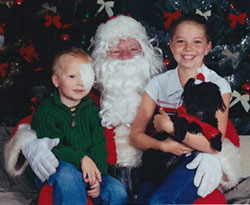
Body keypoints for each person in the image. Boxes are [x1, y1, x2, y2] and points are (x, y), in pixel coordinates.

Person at [5, 15, 241, 204]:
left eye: (133, 49)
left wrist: (215, 159)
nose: (126, 57)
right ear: (100, 61)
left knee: (209, 200)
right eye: (115, 51)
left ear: (147, 55)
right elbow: (37, 119)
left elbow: (219, 129)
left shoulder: (168, 89)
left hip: (160, 177)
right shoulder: (86, 95)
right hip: (102, 184)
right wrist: (29, 143)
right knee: (52, 196)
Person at [130, 13, 240, 204]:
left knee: (159, 201)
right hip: (163, 159)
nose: (188, 48)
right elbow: (136, 136)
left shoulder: (218, 85)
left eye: (197, 42)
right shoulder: (158, 83)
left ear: (208, 47)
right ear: (171, 45)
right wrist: (162, 145)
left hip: (198, 159)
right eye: (181, 41)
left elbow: (213, 144)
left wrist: (170, 127)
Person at [24, 47, 128, 204]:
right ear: (56, 81)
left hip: (89, 170)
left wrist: (96, 177)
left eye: (85, 76)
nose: (80, 82)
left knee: (117, 190)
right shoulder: (45, 112)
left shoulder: (93, 112)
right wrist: (81, 158)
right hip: (57, 169)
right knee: (68, 175)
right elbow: (51, 148)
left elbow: (99, 146)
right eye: (72, 76)